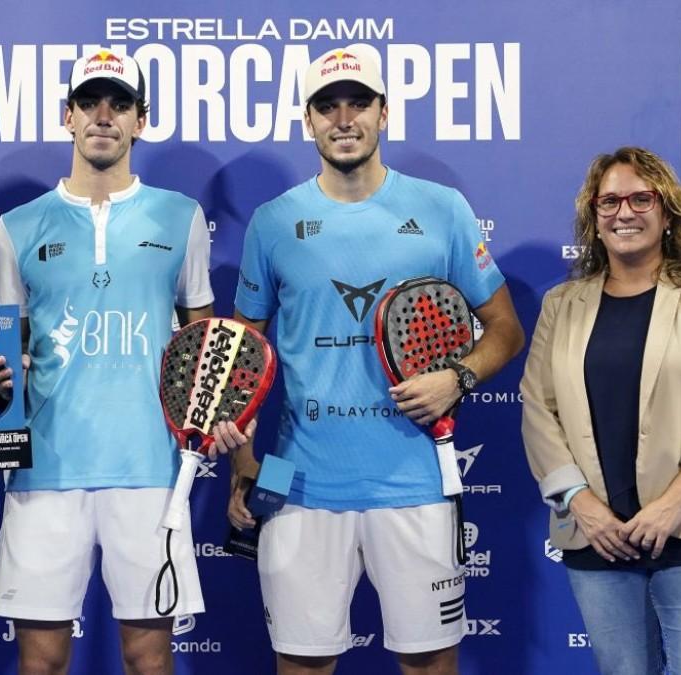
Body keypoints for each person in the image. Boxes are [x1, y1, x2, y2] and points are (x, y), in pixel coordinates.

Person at [214, 44, 525, 675]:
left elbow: (505, 330)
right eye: (327, 106)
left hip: (414, 485)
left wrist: (457, 377)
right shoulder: (274, 222)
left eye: (359, 102)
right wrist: (244, 461)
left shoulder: (443, 210)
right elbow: (244, 355)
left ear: (385, 113)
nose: (344, 118)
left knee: (429, 664)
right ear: (308, 121)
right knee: (303, 666)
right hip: (299, 487)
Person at [0, 50, 214, 675]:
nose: (103, 116)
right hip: (43, 475)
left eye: (119, 104)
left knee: (148, 658)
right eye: (89, 103)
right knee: (41, 664)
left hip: (148, 468)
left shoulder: (181, 216)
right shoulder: (16, 227)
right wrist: (7, 454)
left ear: (142, 120)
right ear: (68, 116)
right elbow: (2, 354)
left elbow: (203, 343)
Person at [520, 146, 681, 674]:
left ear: (667, 210)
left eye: (640, 198)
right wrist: (581, 504)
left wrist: (674, 502)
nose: (624, 212)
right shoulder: (561, 306)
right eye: (608, 201)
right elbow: (538, 410)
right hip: (599, 539)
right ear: (593, 216)